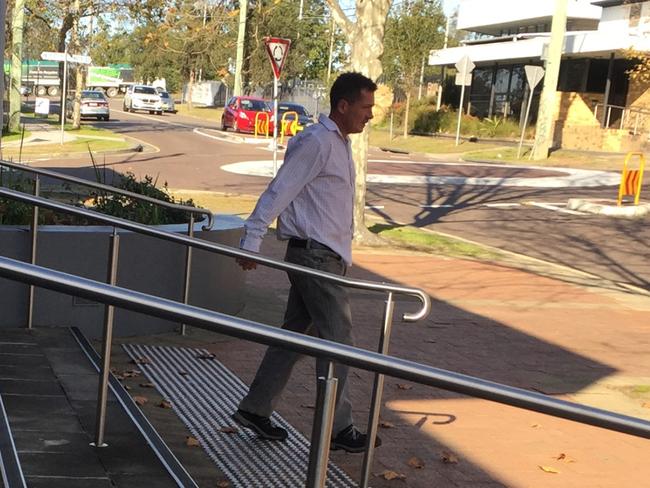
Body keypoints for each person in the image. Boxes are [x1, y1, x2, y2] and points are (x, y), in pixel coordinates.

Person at [232, 72, 379, 453]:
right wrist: (252, 239)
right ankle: (337, 426)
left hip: (323, 255)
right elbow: (280, 189)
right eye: (366, 108)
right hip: (315, 258)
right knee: (339, 342)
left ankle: (255, 408)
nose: (370, 115)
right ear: (343, 106)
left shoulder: (339, 143)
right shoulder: (317, 142)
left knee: (293, 337)